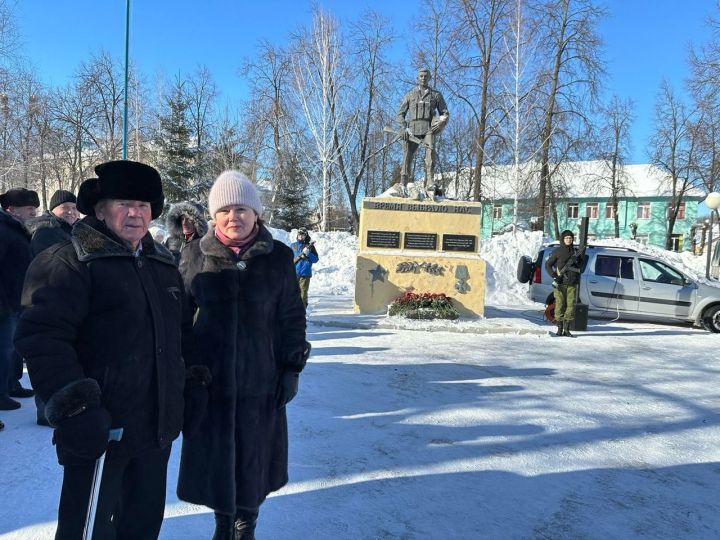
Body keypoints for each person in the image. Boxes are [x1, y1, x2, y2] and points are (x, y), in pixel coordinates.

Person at [14, 160, 209, 540]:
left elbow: (181, 333)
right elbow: (42, 338)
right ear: (100, 210)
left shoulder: (162, 264)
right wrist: (75, 408)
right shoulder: (68, 262)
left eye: (143, 205)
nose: (135, 213)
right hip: (101, 433)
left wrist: (191, 382)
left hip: (155, 431)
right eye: (123, 203)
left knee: (141, 529)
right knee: (87, 532)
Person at [176, 170, 309, 540]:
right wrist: (190, 372)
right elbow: (180, 319)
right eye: (226, 210)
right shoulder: (192, 255)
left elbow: (291, 316)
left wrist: (291, 367)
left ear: (256, 214)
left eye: (243, 209)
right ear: (214, 216)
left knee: (254, 456)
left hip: (260, 379)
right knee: (216, 456)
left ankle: (245, 523)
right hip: (210, 380)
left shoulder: (278, 257)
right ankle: (222, 523)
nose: (235, 217)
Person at [25, 189, 80, 426]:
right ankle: (45, 409)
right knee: (48, 355)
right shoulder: (47, 231)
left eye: (73, 206)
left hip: (65, 299)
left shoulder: (71, 231)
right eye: (64, 207)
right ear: (53, 210)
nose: (69, 211)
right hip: (47, 297)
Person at [0, 187, 39, 412]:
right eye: (29, 208)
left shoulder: (17, 228)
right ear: (11, 209)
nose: (34, 213)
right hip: (5, 301)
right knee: (4, 348)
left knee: (14, 346)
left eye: (35, 208)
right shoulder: (4, 229)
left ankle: (11, 384)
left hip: (17, 298)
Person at [396, 67, 449, 186]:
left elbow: (444, 113)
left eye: (426, 76)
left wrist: (441, 122)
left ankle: (429, 181)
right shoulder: (410, 95)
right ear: (417, 78)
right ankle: (403, 182)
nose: (423, 78)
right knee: (407, 155)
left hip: (428, 129)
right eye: (421, 76)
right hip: (412, 129)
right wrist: (403, 128)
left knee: (430, 152)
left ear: (429, 78)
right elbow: (400, 114)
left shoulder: (436, 95)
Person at [545, 229, 584, 337]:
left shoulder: (576, 252)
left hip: (572, 283)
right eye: (566, 238)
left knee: (570, 306)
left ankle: (566, 329)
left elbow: (582, 267)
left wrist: (579, 261)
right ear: (563, 239)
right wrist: (554, 276)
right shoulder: (558, 251)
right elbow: (548, 265)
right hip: (560, 283)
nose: (569, 240)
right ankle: (559, 329)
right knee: (560, 305)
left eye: (570, 238)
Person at [27, 189, 79, 257]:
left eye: (74, 208)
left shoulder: (77, 228)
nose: (70, 212)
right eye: (65, 207)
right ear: (53, 209)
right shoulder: (45, 231)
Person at [165, 200, 208, 272]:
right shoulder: (171, 241)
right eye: (182, 219)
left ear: (197, 222)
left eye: (189, 219)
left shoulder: (205, 243)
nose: (184, 223)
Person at [290, 227, 319, 308]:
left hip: (305, 273)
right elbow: (288, 258)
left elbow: (316, 259)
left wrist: (308, 253)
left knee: (303, 293)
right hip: (294, 273)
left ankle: (302, 312)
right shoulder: (293, 245)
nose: (301, 236)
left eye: (302, 235)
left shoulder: (310, 247)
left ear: (306, 236)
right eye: (299, 234)